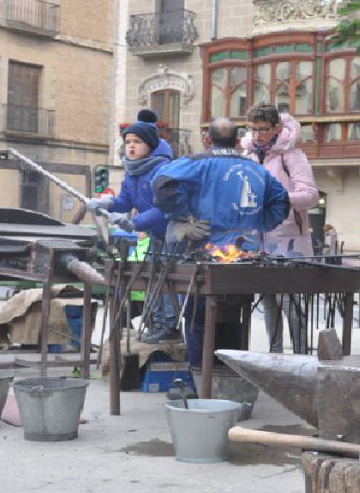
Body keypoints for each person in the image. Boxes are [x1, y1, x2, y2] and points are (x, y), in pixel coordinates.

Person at [152, 117, 290, 371]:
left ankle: (199, 376)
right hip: (246, 256)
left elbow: (162, 183)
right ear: (238, 142)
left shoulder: (198, 163)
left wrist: (182, 215)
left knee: (198, 317)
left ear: (208, 140)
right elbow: (282, 202)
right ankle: (230, 374)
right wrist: (262, 223)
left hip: (206, 254)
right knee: (235, 316)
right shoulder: (257, 170)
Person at [87, 109, 177, 343]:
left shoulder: (162, 170)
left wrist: (135, 222)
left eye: (137, 142)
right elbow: (126, 200)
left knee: (164, 281)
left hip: (174, 233)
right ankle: (157, 323)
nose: (131, 146)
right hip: (154, 235)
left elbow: (165, 208)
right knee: (150, 277)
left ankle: (168, 326)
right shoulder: (132, 171)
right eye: (127, 142)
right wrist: (106, 202)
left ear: (149, 145)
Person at [241, 103, 320, 355]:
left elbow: (311, 196)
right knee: (269, 303)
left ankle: (300, 356)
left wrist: (278, 199)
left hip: (290, 244)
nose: (257, 135)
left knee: (291, 304)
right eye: (252, 129)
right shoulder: (249, 157)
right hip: (259, 242)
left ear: (277, 127)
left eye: (263, 129)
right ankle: (274, 356)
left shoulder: (292, 156)